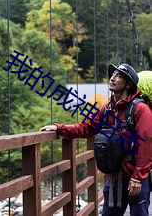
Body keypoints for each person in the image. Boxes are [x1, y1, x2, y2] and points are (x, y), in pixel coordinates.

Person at [39, 63, 152, 216]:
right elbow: (87, 127)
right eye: (112, 75)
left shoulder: (140, 109)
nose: (112, 78)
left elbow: (146, 144)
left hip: (135, 177)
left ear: (129, 84)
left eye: (118, 76)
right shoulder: (107, 108)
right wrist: (60, 128)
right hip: (115, 176)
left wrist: (138, 178)